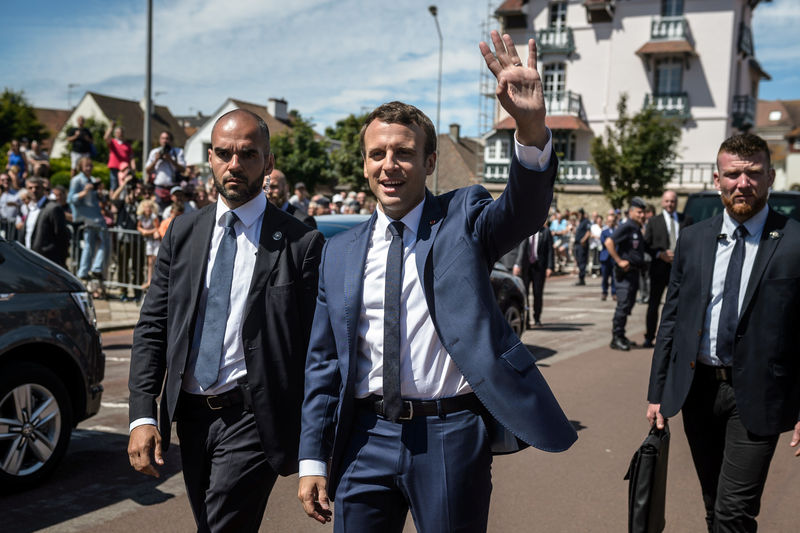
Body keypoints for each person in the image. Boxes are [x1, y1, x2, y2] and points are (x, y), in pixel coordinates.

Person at [297, 32, 576, 532]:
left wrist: (531, 127)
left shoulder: (463, 216)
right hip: (363, 437)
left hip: (449, 433)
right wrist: (313, 459)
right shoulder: (338, 252)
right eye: (376, 154)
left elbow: (523, 209)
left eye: (403, 153)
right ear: (363, 164)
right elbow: (323, 364)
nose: (389, 165)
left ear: (428, 163)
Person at [127, 109, 324, 532]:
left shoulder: (301, 242)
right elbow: (152, 327)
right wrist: (143, 415)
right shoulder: (182, 232)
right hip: (191, 417)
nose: (234, 165)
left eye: (248, 154)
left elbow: (315, 350)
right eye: (223, 153)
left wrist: (315, 448)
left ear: (268, 164)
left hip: (252, 418)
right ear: (210, 159)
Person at [647, 133, 800, 532]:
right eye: (733, 174)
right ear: (718, 180)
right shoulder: (694, 239)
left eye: (752, 174)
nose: (742, 183)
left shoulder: (795, 242)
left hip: (759, 395)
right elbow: (672, 319)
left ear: (769, 177)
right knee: (714, 505)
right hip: (697, 391)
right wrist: (657, 392)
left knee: (735, 512)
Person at [642, 190, 685, 348]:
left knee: (680, 305)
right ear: (662, 202)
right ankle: (649, 336)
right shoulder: (654, 221)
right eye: (667, 201)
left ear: (676, 202)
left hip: (680, 270)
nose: (669, 204)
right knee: (654, 304)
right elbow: (646, 245)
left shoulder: (685, 220)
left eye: (672, 201)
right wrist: (660, 254)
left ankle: (676, 337)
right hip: (659, 269)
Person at [605, 197, 647, 351]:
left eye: (643, 212)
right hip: (624, 274)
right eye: (639, 212)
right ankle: (616, 338)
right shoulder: (627, 226)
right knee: (622, 306)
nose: (642, 215)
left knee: (628, 305)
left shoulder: (636, 227)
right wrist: (619, 260)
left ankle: (621, 335)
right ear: (631, 212)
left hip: (634, 274)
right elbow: (609, 242)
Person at [68, 157, 109, 284]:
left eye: (91, 166)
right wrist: (85, 191)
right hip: (88, 217)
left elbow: (99, 201)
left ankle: (84, 271)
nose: (89, 168)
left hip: (95, 214)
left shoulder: (92, 180)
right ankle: (94, 268)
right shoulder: (77, 180)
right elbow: (71, 199)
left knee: (90, 244)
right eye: (86, 166)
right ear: (81, 167)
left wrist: (99, 193)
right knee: (104, 241)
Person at [22, 177, 69, 267]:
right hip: (29, 260)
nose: (34, 190)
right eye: (30, 188)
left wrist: (60, 263)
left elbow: (62, 237)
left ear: (43, 189)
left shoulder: (53, 208)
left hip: (47, 262)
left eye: (37, 187)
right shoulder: (31, 208)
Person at [513, 224, 554, 327]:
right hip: (526, 267)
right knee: (525, 293)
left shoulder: (545, 232)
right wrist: (518, 264)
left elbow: (550, 250)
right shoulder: (526, 230)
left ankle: (537, 318)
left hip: (539, 267)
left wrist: (550, 267)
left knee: (538, 293)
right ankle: (526, 320)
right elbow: (520, 249)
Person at [145, 131, 186, 209]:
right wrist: (156, 160)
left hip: (173, 189)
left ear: (171, 140)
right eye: (163, 138)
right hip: (159, 188)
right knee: (158, 212)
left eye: (167, 138)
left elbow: (183, 169)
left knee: (174, 212)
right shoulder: (154, 152)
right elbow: (147, 170)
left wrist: (170, 159)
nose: (165, 141)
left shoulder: (177, 152)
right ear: (160, 140)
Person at [105, 121, 133, 192]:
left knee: (124, 187)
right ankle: (112, 201)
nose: (119, 134)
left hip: (124, 169)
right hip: (115, 167)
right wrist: (111, 128)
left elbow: (131, 157)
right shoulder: (113, 142)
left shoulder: (127, 144)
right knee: (114, 186)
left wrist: (133, 167)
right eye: (117, 132)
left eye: (120, 132)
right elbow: (106, 138)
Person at [598, 212, 617, 301]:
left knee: (614, 276)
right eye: (609, 221)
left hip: (614, 257)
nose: (611, 223)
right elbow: (604, 242)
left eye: (612, 221)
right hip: (605, 257)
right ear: (606, 222)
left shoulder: (617, 231)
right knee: (605, 277)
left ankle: (614, 293)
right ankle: (604, 292)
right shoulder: (604, 232)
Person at [573, 208, 590, 285]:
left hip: (582, 244)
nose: (578, 216)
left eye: (579, 214)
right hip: (577, 244)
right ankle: (581, 278)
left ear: (582, 214)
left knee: (582, 261)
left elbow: (588, 232)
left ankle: (582, 278)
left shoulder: (586, 221)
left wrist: (583, 240)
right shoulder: (579, 222)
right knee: (578, 261)